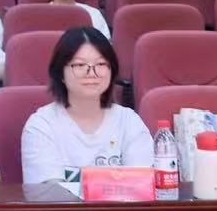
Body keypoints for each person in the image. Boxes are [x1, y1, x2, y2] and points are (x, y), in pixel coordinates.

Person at [20, 27, 152, 185]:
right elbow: (49, 194)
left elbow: (141, 185)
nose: (91, 73)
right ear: (60, 73)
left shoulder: (129, 121)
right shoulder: (41, 125)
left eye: (101, 64)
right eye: (80, 65)